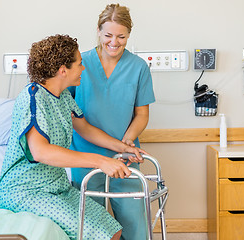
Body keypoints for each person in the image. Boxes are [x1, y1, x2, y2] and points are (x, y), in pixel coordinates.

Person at [0, 34, 146, 240]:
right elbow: (40, 151)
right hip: (27, 191)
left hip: (58, 187)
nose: (83, 68)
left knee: (113, 230)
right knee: (98, 234)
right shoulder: (32, 97)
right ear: (63, 70)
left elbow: (84, 128)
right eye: (79, 64)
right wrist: (100, 161)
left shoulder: (63, 96)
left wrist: (124, 148)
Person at [68, 4, 155, 240]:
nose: (114, 42)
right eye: (108, 35)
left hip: (125, 157)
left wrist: (127, 142)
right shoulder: (78, 65)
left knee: (134, 223)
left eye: (121, 36)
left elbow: (142, 114)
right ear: (98, 31)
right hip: (85, 156)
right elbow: (73, 116)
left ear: (129, 35)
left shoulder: (138, 68)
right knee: (91, 226)